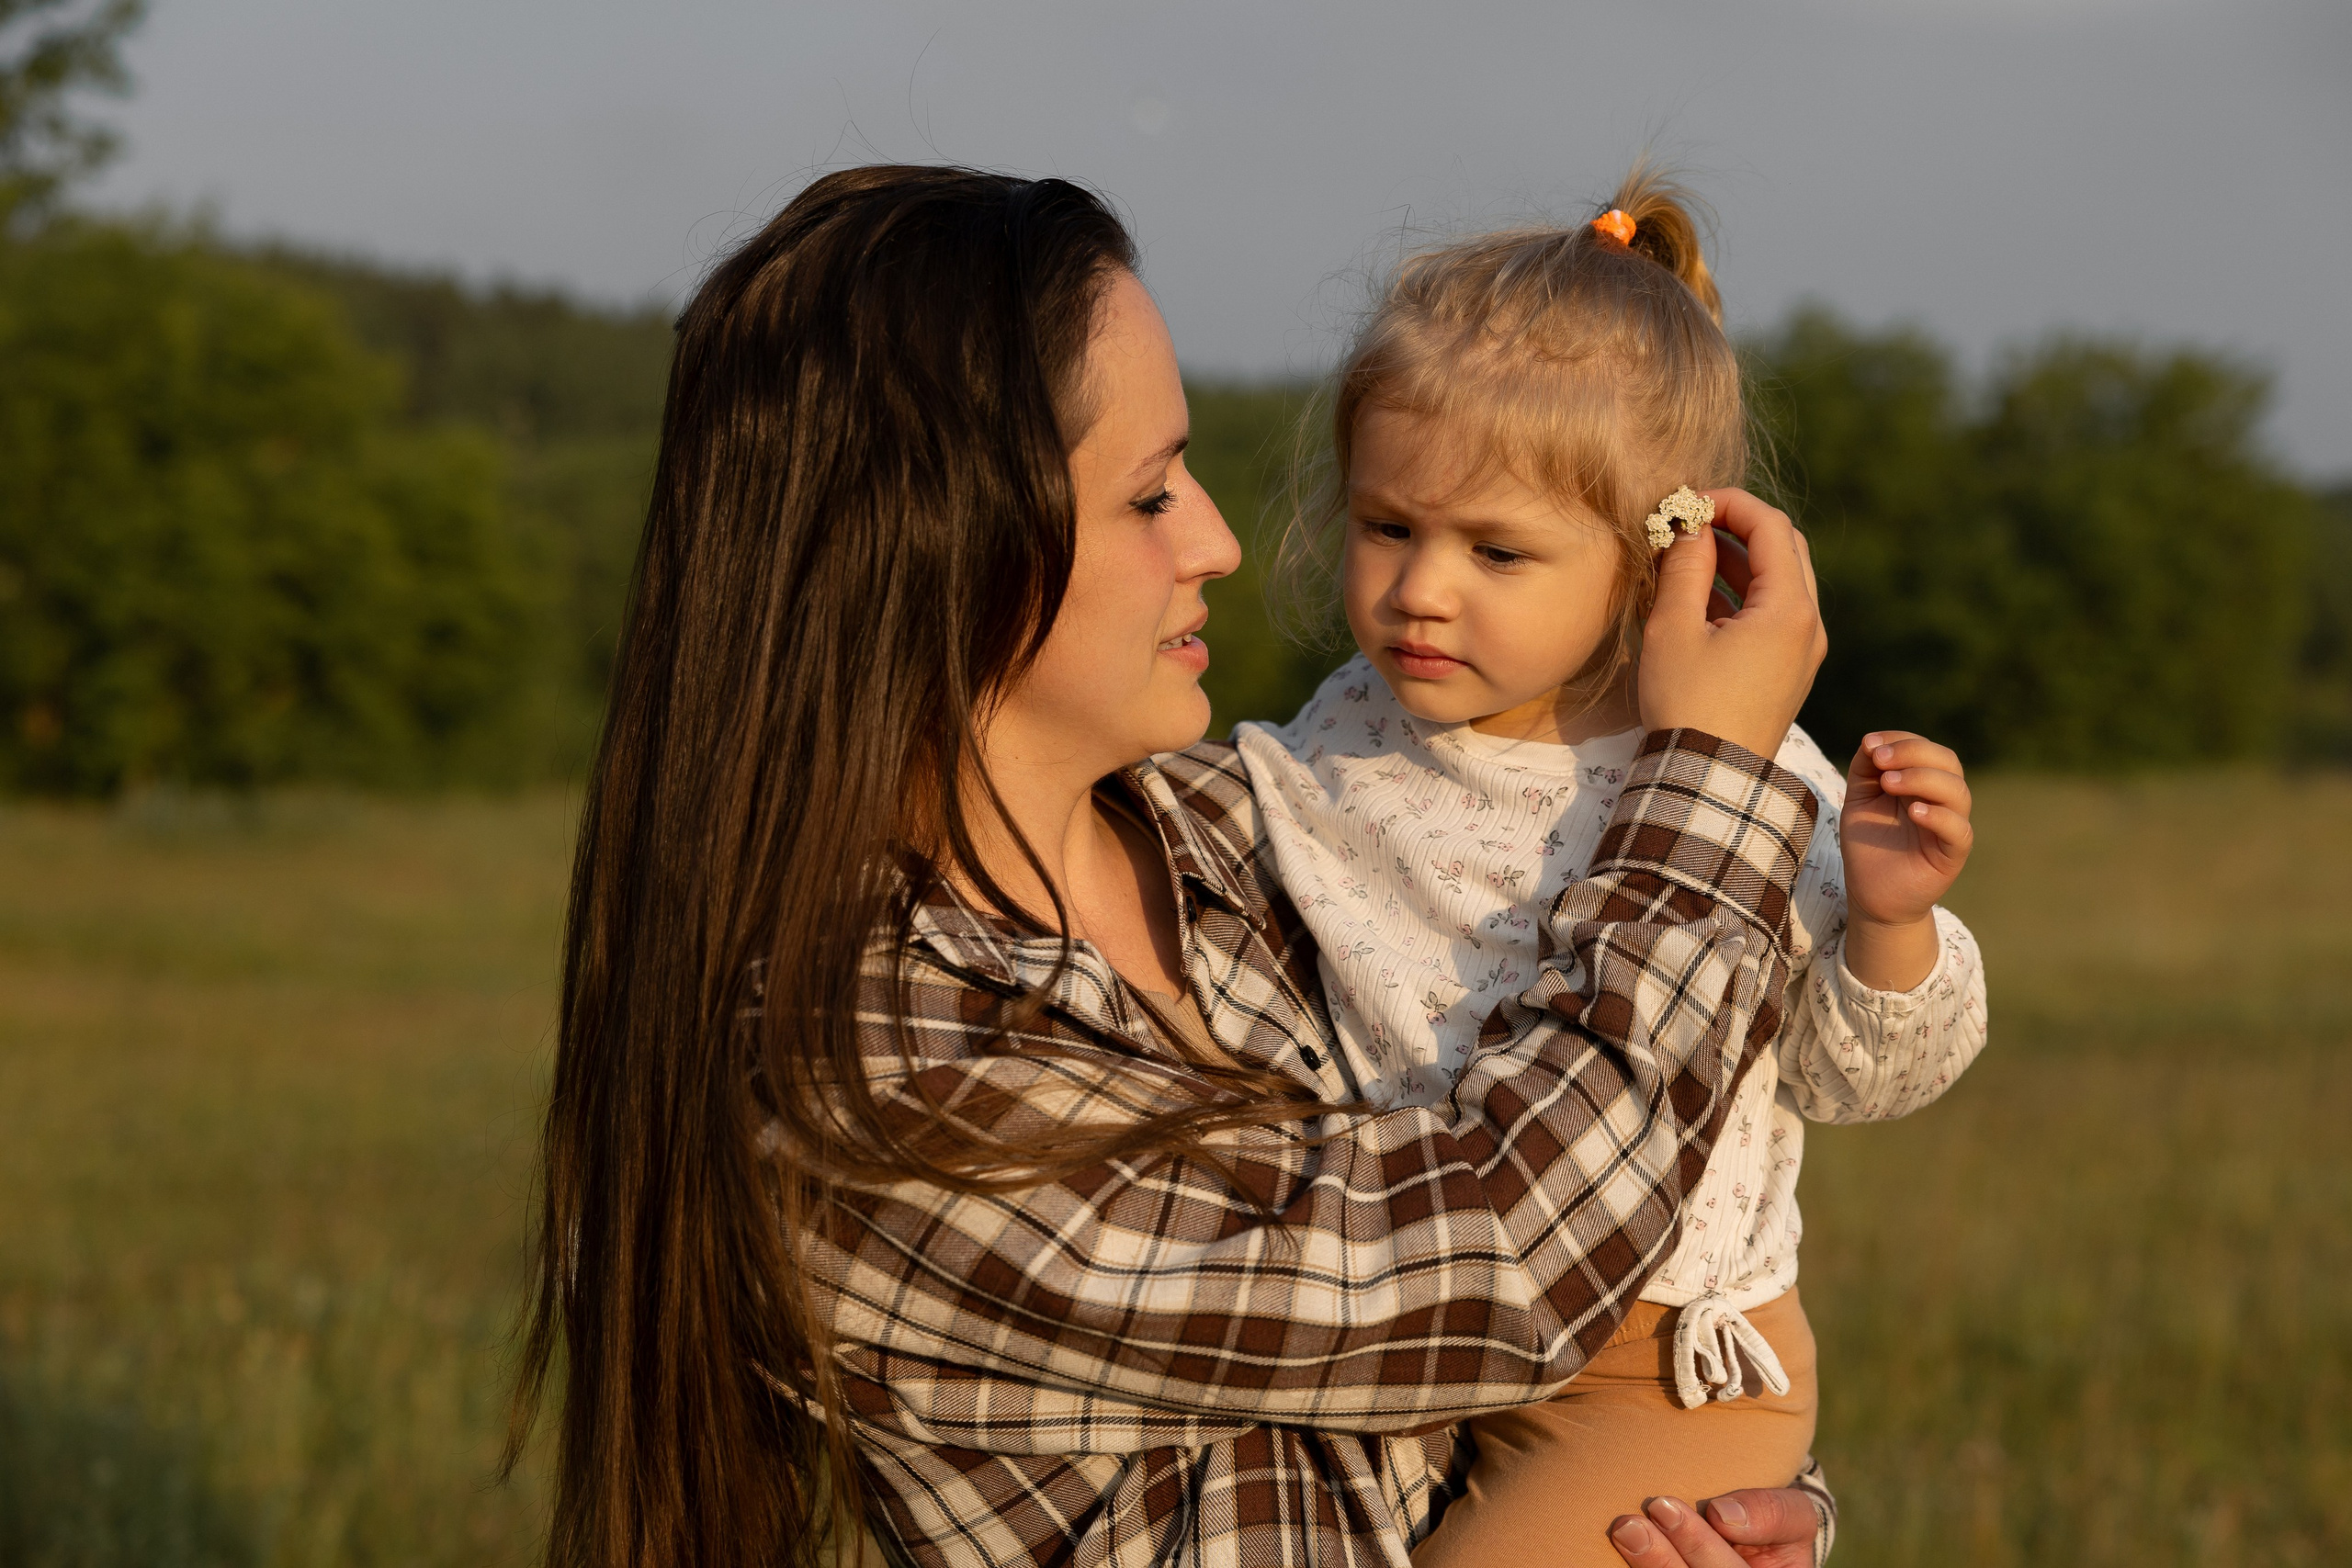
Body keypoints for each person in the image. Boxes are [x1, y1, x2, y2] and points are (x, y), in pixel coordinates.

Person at [511, 164, 1840, 1568]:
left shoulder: (1263, 836)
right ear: (942, 546)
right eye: (1150, 497)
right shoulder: (855, 1088)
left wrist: (1724, 1517)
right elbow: (1492, 1274)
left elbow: (1511, 1387)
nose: (1218, 540)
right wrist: (1709, 780)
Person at [1235, 166, 1988, 1567]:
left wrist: (1890, 924)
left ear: (1658, 558)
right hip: (1407, 1316)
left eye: (1497, 550)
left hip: (1658, 1367)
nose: (1420, 590)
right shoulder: (1346, 724)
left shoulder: (1736, 763)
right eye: (1388, 525)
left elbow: (1858, 1082)